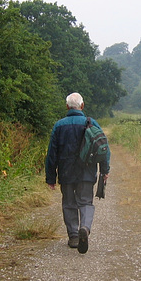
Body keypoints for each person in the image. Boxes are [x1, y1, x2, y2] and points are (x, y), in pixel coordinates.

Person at [45, 92, 110, 254]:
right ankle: (85, 228)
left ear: (67, 107)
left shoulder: (59, 125)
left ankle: (74, 236)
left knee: (69, 203)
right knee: (86, 202)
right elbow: (103, 147)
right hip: (87, 172)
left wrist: (51, 177)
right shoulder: (91, 122)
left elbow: (51, 153)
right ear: (82, 106)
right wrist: (104, 170)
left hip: (66, 172)